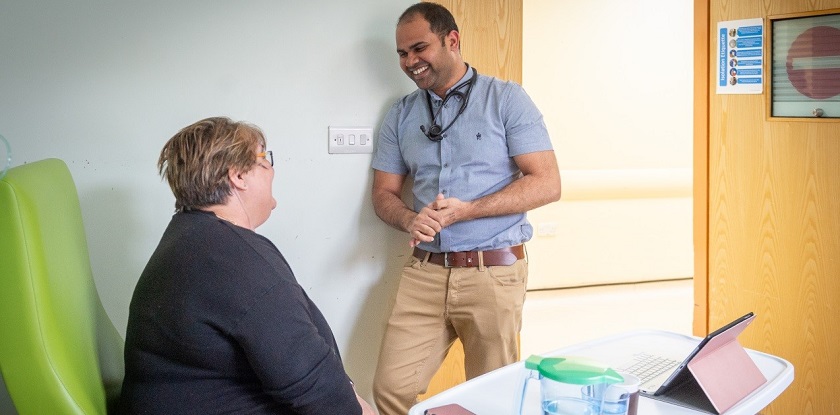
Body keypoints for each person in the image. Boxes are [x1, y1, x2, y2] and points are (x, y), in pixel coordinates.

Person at [370, 3, 562, 414]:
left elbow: (547, 183)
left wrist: (467, 210)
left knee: (493, 399)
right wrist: (409, 217)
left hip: (492, 273)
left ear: (452, 41)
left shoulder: (507, 99)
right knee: (390, 389)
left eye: (419, 48)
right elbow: (383, 193)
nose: (410, 62)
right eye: (402, 54)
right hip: (424, 273)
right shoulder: (401, 114)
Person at [120, 117, 375, 415]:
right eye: (264, 160)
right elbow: (313, 384)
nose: (272, 170)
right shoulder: (234, 257)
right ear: (238, 175)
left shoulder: (189, 240)